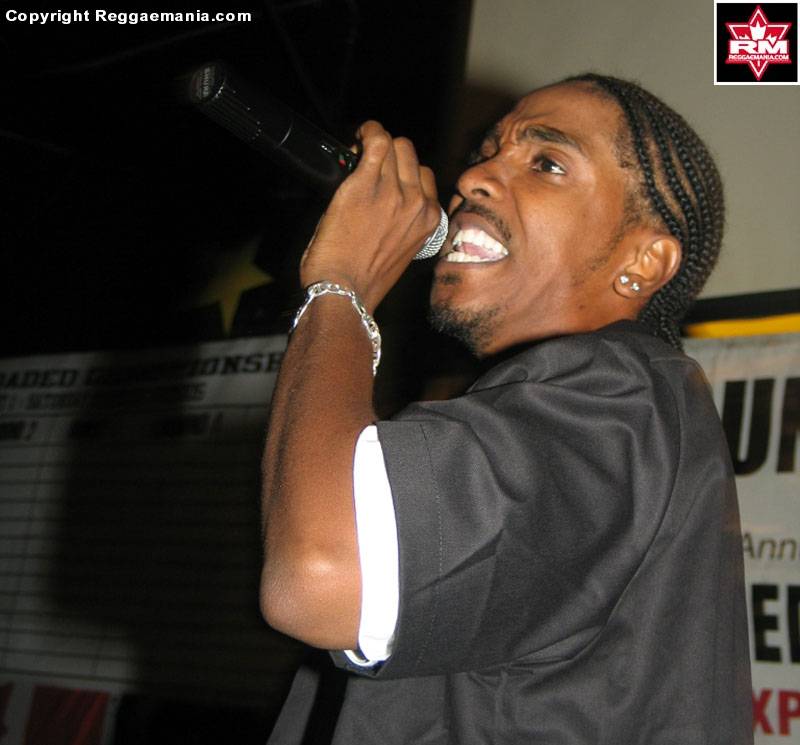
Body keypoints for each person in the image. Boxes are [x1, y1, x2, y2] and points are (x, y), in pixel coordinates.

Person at [260, 73, 753, 744]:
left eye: (546, 163)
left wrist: (341, 284)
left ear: (643, 261)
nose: (473, 179)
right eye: (486, 152)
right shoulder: (598, 408)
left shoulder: (620, 394)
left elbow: (321, 575)